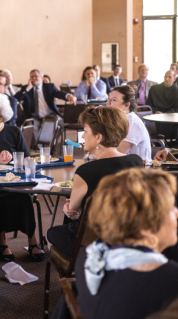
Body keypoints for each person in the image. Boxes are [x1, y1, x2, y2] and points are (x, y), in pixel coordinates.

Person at [74, 169, 178, 319]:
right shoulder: (170, 280)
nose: (177, 213)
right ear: (145, 226)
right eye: (170, 208)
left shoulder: (88, 256)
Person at [46, 106, 143, 257]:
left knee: (52, 232)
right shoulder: (136, 162)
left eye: (85, 131)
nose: (82, 136)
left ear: (99, 137)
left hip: (93, 242)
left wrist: (70, 210)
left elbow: (72, 209)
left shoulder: (86, 171)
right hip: (127, 237)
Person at [0, 92, 44, 261]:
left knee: (25, 198)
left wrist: (16, 162)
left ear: (2, 115)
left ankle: (33, 242)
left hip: (15, 180)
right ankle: (2, 242)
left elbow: (26, 158)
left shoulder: (14, 132)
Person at [15, 69, 76, 136]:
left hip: (50, 115)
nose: (33, 78)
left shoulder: (49, 87)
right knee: (32, 129)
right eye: (32, 77)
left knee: (55, 127)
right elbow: (16, 99)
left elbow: (58, 93)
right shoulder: (26, 88)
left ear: (41, 77)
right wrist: (27, 88)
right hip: (33, 117)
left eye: (36, 76)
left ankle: (50, 146)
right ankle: (38, 146)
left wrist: (69, 96)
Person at [107, 85, 151, 162]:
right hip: (122, 165)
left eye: (114, 100)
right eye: (108, 98)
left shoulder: (132, 123)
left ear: (126, 105)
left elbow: (117, 154)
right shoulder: (118, 119)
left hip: (138, 171)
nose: (108, 102)